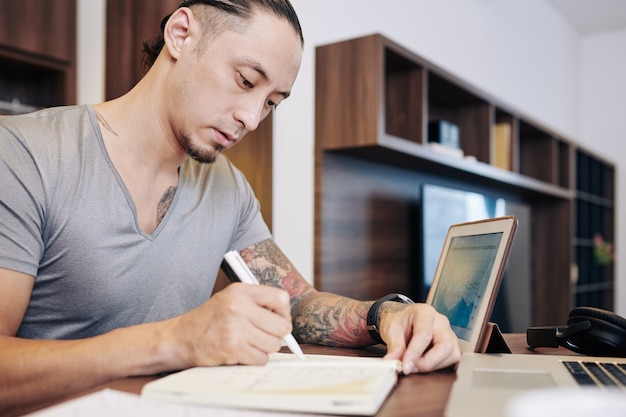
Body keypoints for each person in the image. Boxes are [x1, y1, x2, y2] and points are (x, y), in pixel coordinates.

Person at [0, 0, 460, 415]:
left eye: (271, 103)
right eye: (245, 81)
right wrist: (174, 340)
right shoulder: (25, 156)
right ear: (182, 34)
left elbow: (296, 305)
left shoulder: (226, 186)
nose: (252, 118)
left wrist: (389, 315)